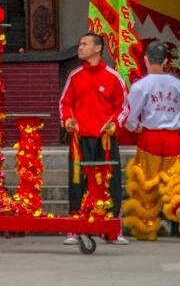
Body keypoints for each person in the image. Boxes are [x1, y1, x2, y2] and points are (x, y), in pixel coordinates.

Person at [122, 41, 180, 241]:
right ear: (166, 61)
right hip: (173, 138)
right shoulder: (177, 84)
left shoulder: (141, 85)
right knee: (177, 181)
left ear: (145, 59)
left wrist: (134, 127)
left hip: (150, 138)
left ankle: (147, 227)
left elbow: (131, 116)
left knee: (146, 185)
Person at [60, 33, 129, 245]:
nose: (80, 47)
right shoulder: (75, 76)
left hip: (105, 138)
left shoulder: (113, 77)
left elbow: (122, 107)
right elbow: (65, 104)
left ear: (97, 48)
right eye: (80, 44)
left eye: (84, 44)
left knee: (110, 182)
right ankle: (75, 227)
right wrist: (68, 120)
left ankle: (112, 229)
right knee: (78, 183)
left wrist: (114, 124)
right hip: (80, 139)